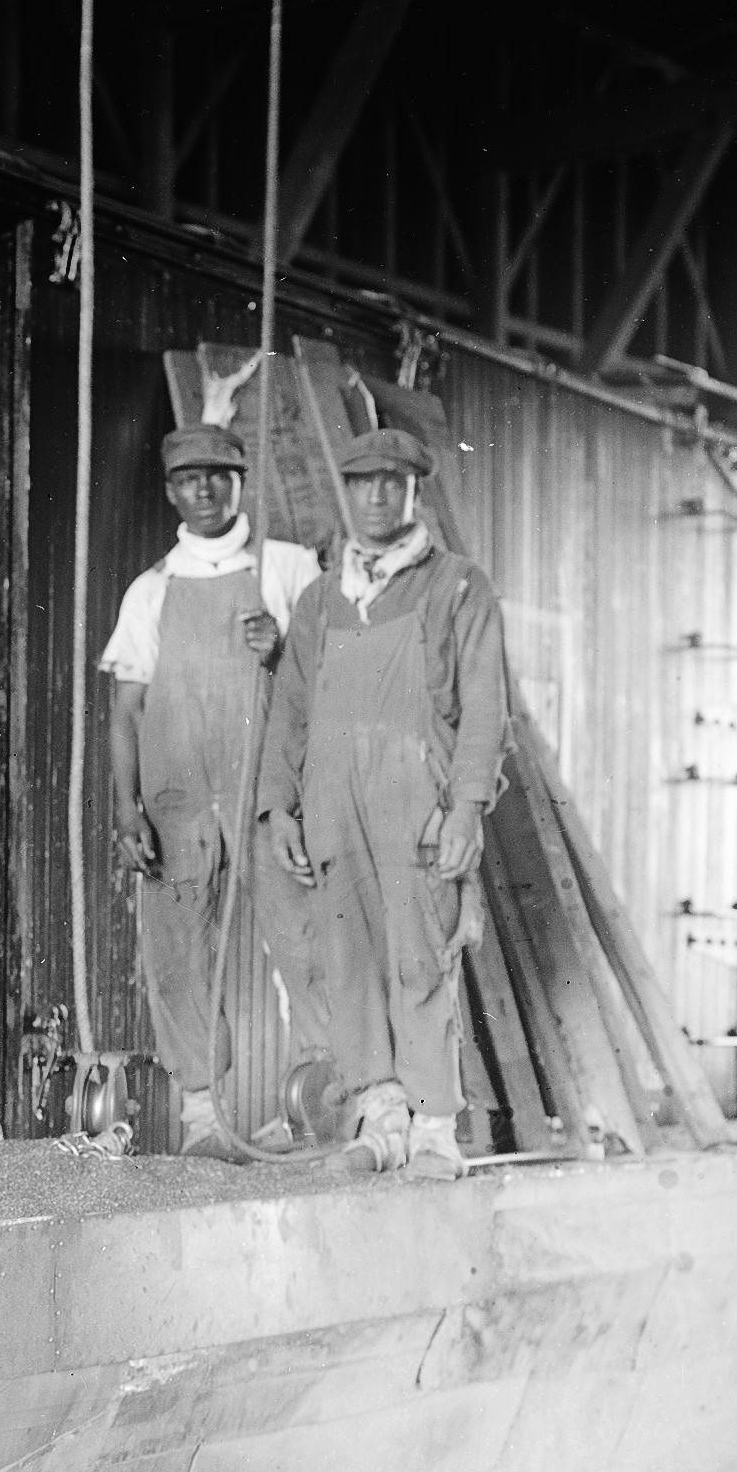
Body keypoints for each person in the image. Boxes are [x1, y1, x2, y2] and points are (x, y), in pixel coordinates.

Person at [260, 427, 511, 1182]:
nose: (375, 496)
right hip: (332, 807)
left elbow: (486, 707)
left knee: (420, 962)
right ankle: (384, 1120)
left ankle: (436, 1130)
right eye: (362, 481)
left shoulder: (458, 585)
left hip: (417, 809)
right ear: (347, 490)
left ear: (413, 489)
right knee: (348, 966)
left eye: (390, 482)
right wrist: (279, 809)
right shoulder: (318, 601)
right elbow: (289, 713)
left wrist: (466, 807)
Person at [101, 425, 327, 1157]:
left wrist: (285, 649)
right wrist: (126, 806)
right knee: (180, 953)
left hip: (270, 790)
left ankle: (318, 1108)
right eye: (188, 478)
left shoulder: (290, 569)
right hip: (177, 802)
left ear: (240, 480)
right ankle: (204, 1118)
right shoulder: (151, 589)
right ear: (170, 489)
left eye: (218, 476)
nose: (203, 490)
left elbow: (341, 674)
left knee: (304, 934)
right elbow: (127, 708)